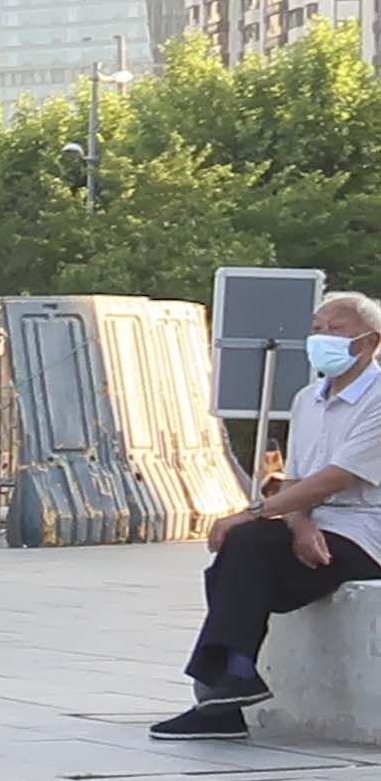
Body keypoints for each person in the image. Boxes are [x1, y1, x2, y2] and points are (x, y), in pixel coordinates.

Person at [153, 287, 379, 737]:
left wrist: (254, 511)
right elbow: (296, 481)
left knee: (242, 552)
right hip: (317, 525)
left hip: (365, 532)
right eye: (317, 329)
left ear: (369, 341)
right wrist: (299, 523)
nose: (323, 338)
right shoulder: (307, 400)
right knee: (240, 562)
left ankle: (223, 689)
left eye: (336, 330)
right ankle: (229, 684)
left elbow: (336, 477)